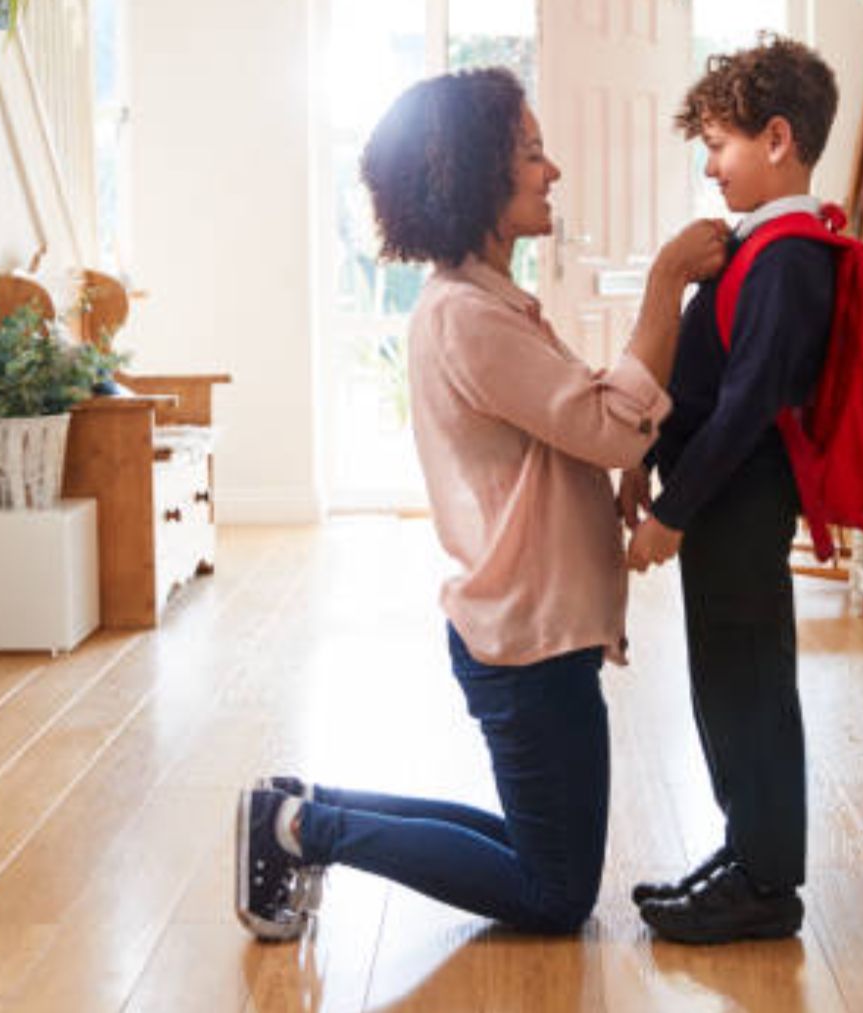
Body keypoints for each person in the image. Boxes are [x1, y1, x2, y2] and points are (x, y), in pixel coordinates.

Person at [235, 66, 728, 940]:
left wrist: (614, 458)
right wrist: (665, 284)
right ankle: (306, 829)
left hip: (529, 627)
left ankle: (301, 806)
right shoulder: (470, 316)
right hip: (528, 638)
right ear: (473, 178)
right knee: (554, 892)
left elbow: (574, 427)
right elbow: (611, 425)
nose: (554, 171)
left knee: (539, 850)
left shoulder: (484, 302)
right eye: (532, 154)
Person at [618, 35, 841, 944]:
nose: (710, 166)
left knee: (748, 686)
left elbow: (748, 405)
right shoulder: (758, 248)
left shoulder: (789, 255)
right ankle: (747, 851)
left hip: (739, 508)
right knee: (723, 681)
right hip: (723, 508)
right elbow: (707, 382)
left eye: (720, 145)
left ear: (777, 138)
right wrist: (646, 455)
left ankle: (766, 881)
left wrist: (673, 512)